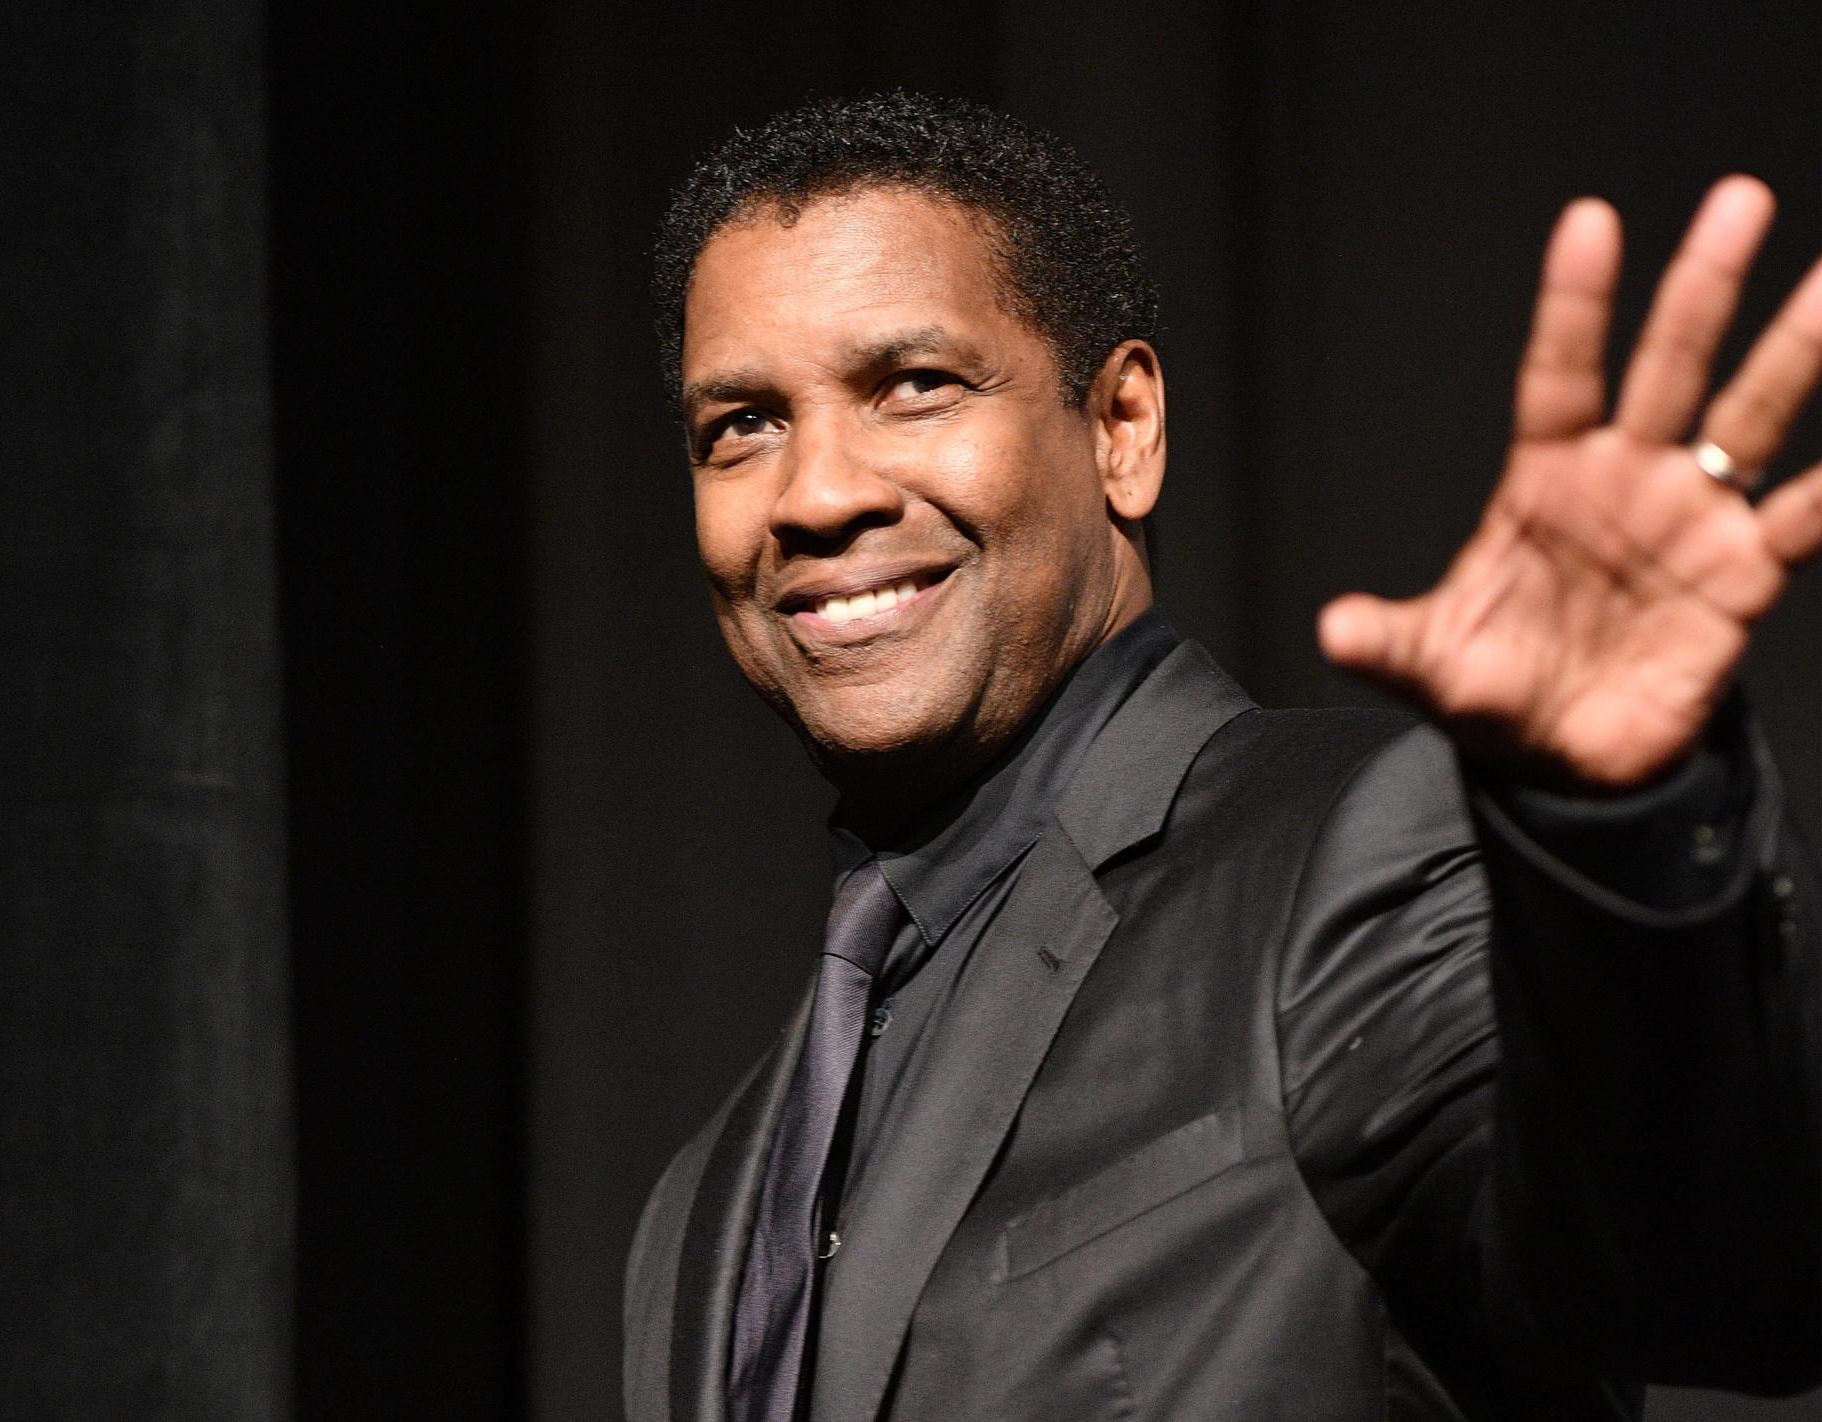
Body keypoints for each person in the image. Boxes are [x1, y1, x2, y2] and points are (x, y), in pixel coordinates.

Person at [623, 92, 1822, 1422]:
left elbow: (1714, 1269)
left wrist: (1623, 827)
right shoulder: (700, 1210)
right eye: (742, 424)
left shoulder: (1352, 862)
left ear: (1121, 426)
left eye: (915, 387)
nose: (814, 492)